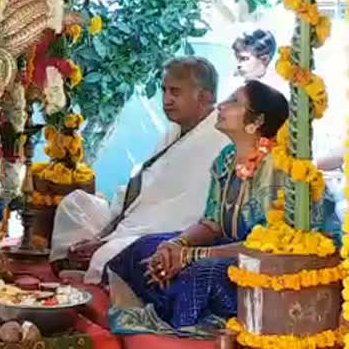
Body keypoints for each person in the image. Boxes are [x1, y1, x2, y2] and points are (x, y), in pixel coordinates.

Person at [106, 81, 292, 336]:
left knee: (200, 273)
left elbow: (266, 248)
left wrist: (190, 256)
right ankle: (163, 307)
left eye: (233, 101)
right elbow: (211, 224)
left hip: (264, 266)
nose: (221, 105)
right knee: (144, 248)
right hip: (225, 249)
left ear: (256, 120)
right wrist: (176, 246)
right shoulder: (227, 158)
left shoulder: (275, 168)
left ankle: (186, 326)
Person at [51, 57, 230, 284]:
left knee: (114, 251)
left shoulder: (216, 141)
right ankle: (90, 262)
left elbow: (177, 214)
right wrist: (102, 234)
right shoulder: (174, 131)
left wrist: (106, 240)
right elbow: (143, 190)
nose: (166, 100)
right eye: (164, 90)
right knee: (75, 204)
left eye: (176, 92)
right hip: (131, 221)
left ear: (205, 97)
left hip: (162, 234)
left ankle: (93, 267)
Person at [232, 30, 287, 94]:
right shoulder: (238, 81)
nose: (239, 65)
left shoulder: (273, 87)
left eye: (244, 59)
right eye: (237, 59)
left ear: (264, 59)